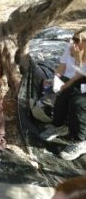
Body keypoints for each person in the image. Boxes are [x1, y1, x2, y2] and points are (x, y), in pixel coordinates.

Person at [40, 31, 86, 160]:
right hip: (80, 81)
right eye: (73, 39)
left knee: (78, 103)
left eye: (77, 40)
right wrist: (56, 80)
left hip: (82, 81)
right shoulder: (71, 47)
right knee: (63, 96)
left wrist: (77, 59)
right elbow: (64, 68)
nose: (73, 42)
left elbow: (81, 73)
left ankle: (80, 141)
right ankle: (58, 126)